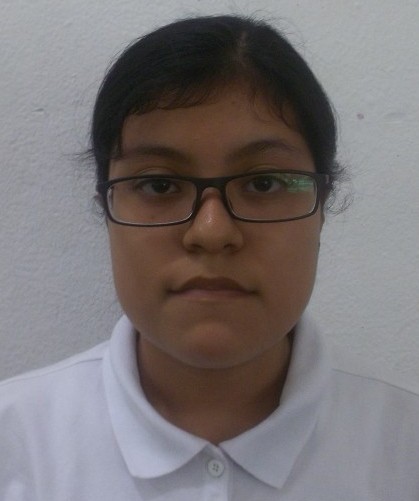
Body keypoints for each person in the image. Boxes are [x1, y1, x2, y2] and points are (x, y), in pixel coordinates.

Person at [1, 14, 419, 501]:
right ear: (105, 206)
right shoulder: (15, 444)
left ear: (322, 208)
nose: (212, 232)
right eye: (159, 185)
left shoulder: (404, 449)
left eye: (264, 182)